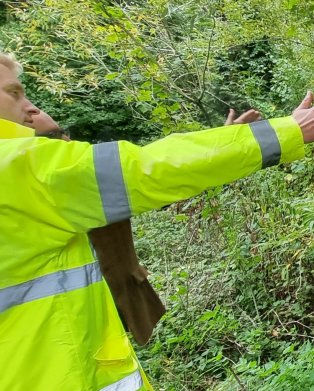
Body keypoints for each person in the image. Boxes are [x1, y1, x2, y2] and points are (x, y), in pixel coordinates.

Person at [0, 46, 314, 391]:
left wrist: (226, 144)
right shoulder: (6, 169)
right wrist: (281, 133)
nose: (29, 107)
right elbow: (147, 169)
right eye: (13, 92)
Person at [29, 107, 261, 345]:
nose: (69, 142)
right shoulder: (45, 192)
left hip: (109, 315)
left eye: (63, 133)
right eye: (53, 138)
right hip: (67, 330)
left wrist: (224, 144)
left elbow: (164, 178)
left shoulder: (80, 177)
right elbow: (153, 171)